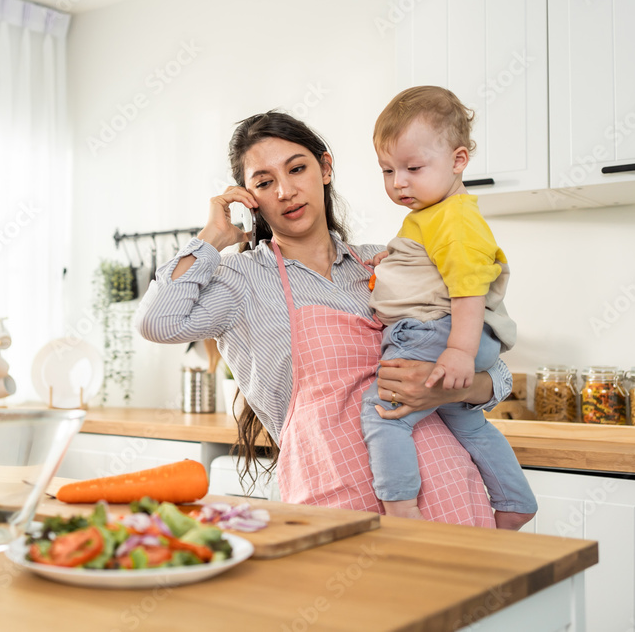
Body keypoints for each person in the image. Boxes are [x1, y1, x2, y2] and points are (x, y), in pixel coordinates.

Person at [134, 110, 514, 526]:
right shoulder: (240, 280)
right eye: (264, 182)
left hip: (446, 490)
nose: (285, 191)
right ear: (249, 197)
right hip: (334, 501)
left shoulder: (383, 262)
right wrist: (212, 237)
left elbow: (496, 373)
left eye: (297, 169)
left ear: (325, 168)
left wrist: (444, 392)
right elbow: (157, 321)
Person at [360, 86, 537, 530]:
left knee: (384, 414)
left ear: (458, 160)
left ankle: (401, 512)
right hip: (444, 333)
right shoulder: (433, 215)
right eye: (387, 170)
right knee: (471, 426)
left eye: (413, 167)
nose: (399, 181)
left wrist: (458, 351)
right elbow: (431, 265)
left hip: (435, 333)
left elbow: (467, 288)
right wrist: (394, 260)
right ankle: (514, 501)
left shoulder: (453, 218)